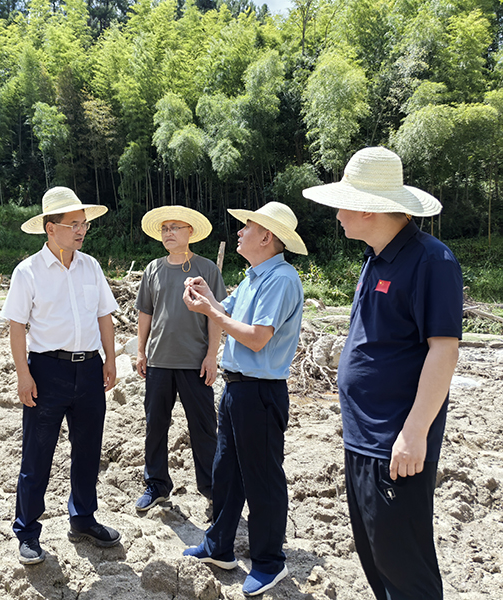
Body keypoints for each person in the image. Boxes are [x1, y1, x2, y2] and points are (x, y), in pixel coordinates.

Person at [302, 146, 462, 600]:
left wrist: (414, 433)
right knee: (376, 556)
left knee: (404, 568)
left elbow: (444, 351)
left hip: (395, 442)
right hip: (362, 437)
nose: (337, 216)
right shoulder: (376, 257)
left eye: (342, 205)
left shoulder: (431, 261)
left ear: (368, 209)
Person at [181, 202, 307, 597]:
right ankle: (219, 546)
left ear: (266, 236)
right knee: (227, 471)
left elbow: (255, 337)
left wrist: (210, 311)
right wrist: (208, 299)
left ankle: (269, 561)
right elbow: (227, 313)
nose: (239, 232)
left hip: (260, 391)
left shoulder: (282, 279)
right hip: (237, 387)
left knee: (262, 478)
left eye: (247, 227)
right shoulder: (255, 276)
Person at [1, 186, 120, 565]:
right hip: (46, 371)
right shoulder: (28, 271)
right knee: (37, 454)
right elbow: (16, 327)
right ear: (50, 228)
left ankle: (83, 519)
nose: (81, 230)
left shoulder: (91, 267)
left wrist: (110, 359)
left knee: (88, 450)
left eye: (84, 224)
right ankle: (27, 530)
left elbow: (104, 315)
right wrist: (23, 375)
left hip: (89, 369)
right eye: (74, 224)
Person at [133, 206, 226, 511]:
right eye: (165, 228)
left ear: (190, 232)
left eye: (175, 227)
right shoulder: (153, 269)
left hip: (195, 362)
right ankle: (157, 485)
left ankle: (213, 490)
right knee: (155, 426)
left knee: (204, 428)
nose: (168, 233)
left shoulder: (207, 269)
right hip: (159, 361)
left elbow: (216, 316)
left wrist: (212, 355)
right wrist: (141, 350)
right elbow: (145, 313)